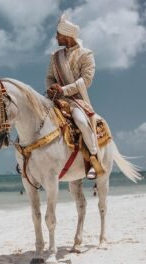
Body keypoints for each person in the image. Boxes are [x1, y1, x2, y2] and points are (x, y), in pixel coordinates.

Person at [45, 14, 102, 180]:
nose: (56, 37)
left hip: (77, 99)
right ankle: (27, 158)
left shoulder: (86, 54)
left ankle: (94, 159)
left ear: (67, 35)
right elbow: (49, 77)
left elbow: (86, 81)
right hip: (56, 98)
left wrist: (63, 89)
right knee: (35, 116)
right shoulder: (55, 56)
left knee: (83, 123)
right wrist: (51, 88)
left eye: (58, 34)